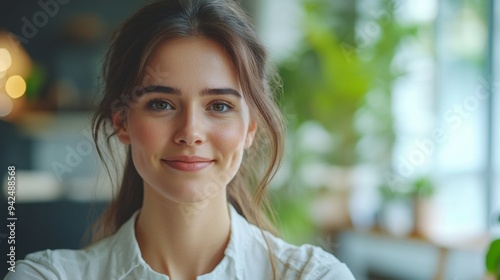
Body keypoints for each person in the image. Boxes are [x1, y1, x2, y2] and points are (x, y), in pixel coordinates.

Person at [5, 0, 354, 279]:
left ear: (251, 128)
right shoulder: (47, 276)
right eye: (161, 104)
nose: (190, 132)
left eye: (219, 105)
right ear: (122, 120)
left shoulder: (316, 276)